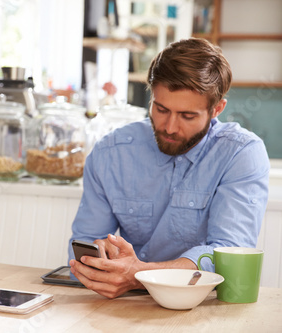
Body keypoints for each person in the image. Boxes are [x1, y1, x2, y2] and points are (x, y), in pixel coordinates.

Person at [68, 38, 270, 299]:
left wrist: (139, 275)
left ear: (216, 109)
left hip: (205, 304)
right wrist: (102, 259)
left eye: (187, 116)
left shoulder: (241, 154)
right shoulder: (110, 153)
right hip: (127, 303)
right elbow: (85, 243)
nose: (170, 127)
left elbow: (229, 253)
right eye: (161, 109)